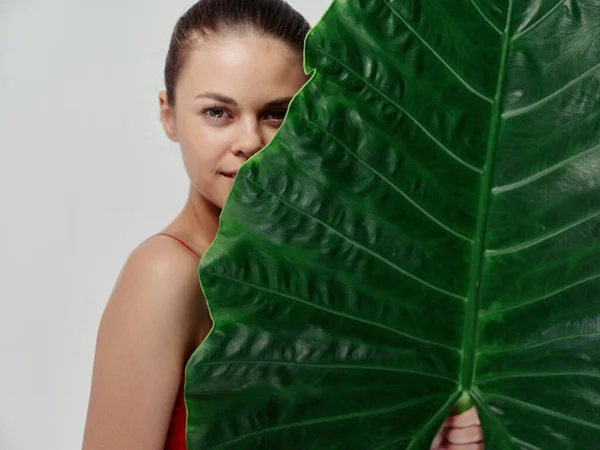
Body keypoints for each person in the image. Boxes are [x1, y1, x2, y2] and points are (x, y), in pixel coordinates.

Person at [81, 1, 484, 449]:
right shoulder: (166, 274)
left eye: (277, 113)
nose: (250, 141)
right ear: (169, 115)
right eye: (218, 112)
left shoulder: (339, 283)